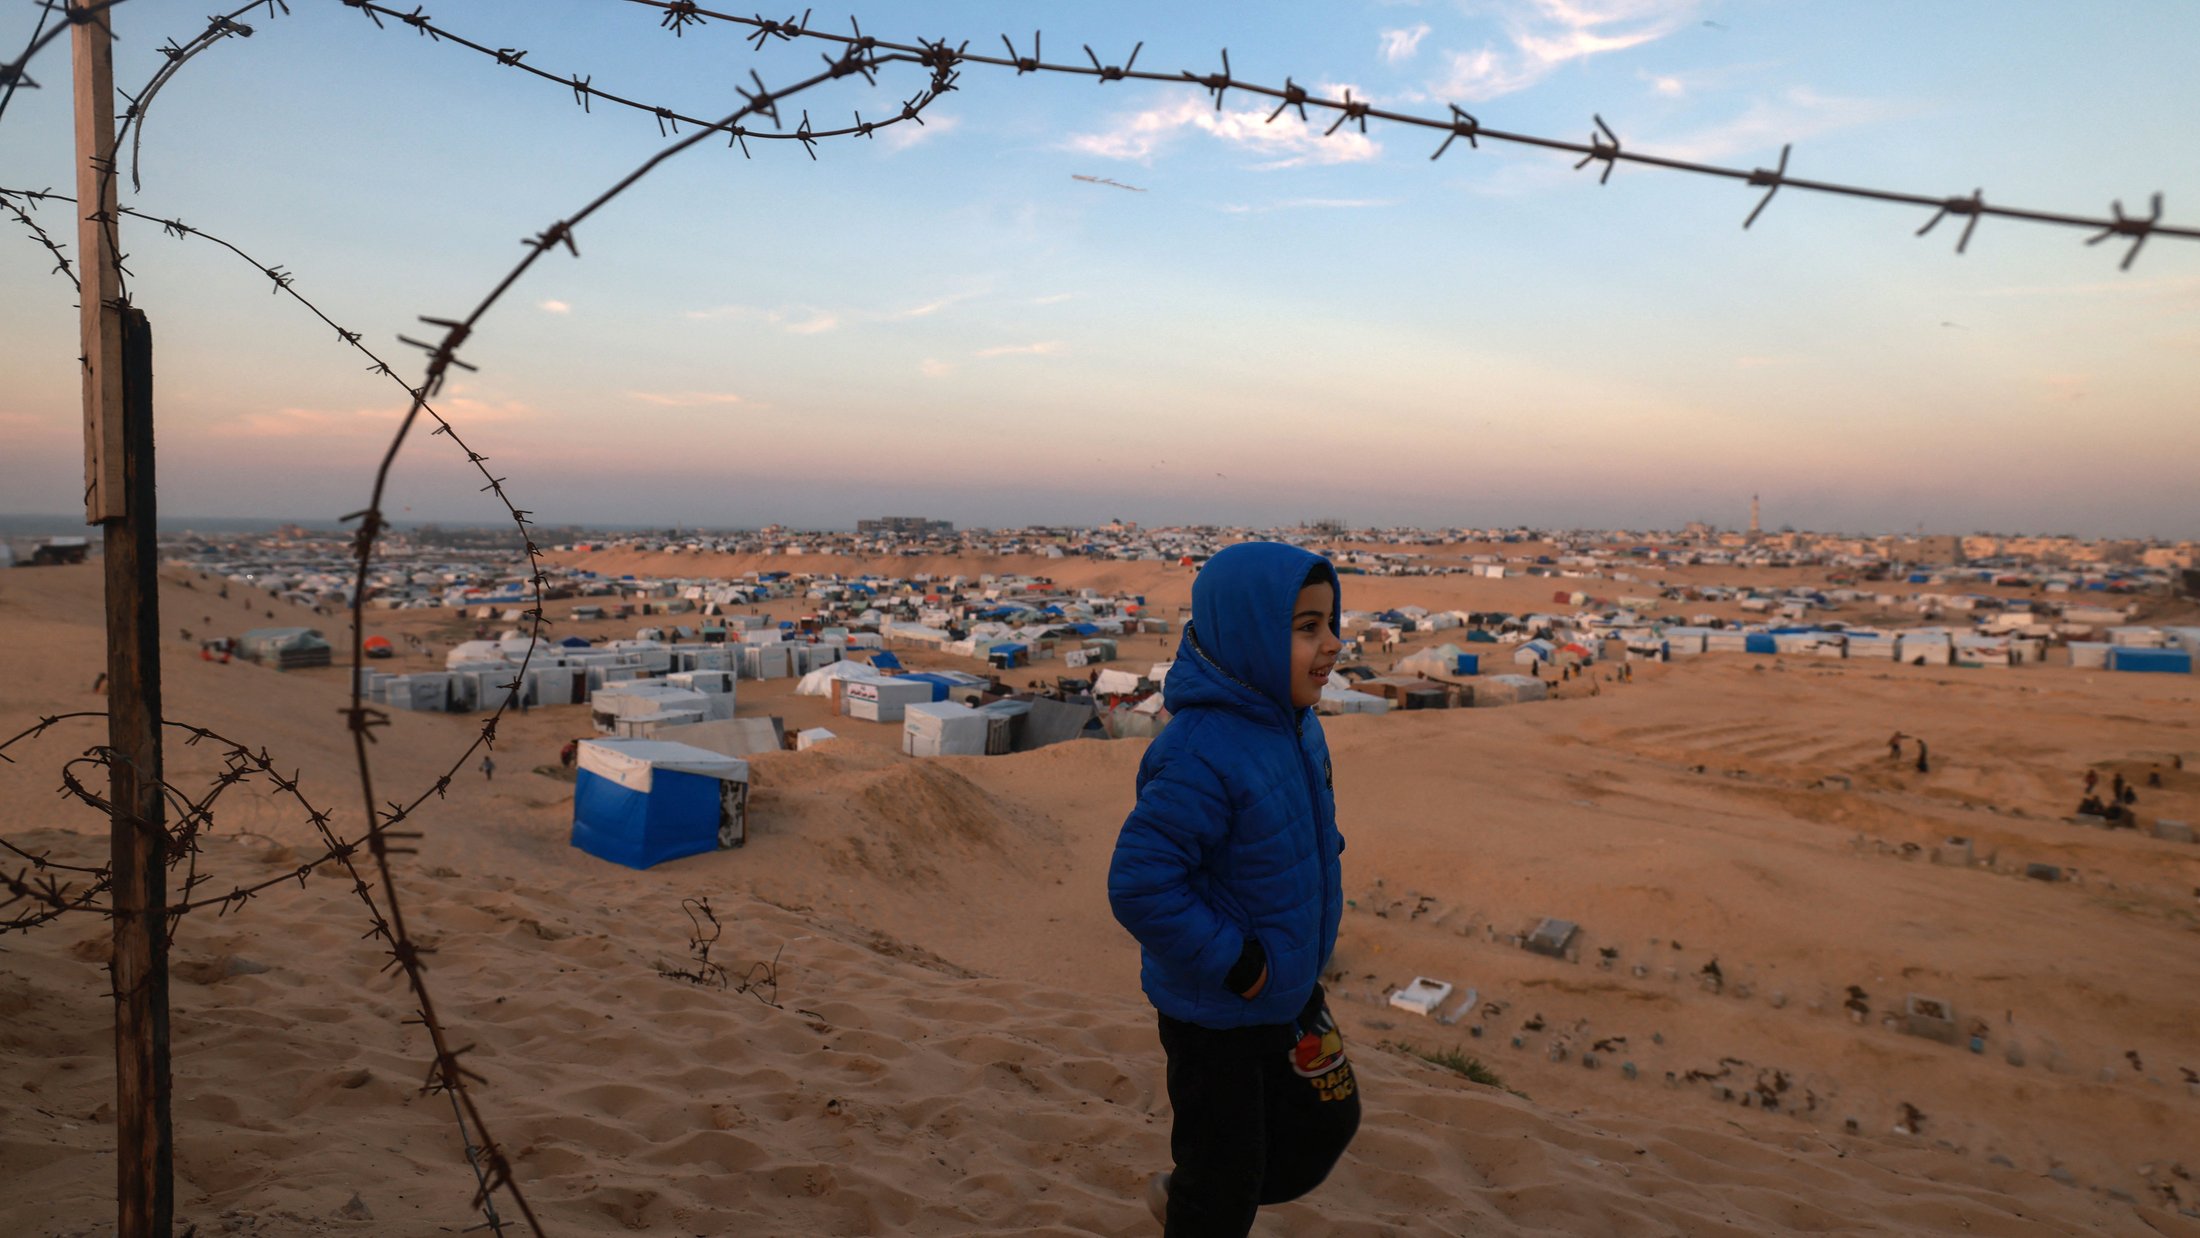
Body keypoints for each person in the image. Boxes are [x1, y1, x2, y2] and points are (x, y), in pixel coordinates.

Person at [1109, 543, 1360, 1237]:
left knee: (1329, 1118)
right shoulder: (1200, 750)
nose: (1333, 644)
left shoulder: (1297, 726)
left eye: (1331, 623)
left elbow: (1298, 830)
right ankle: (1200, 1204)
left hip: (1289, 985)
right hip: (1217, 1011)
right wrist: (1238, 963)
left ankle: (1199, 1195)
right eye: (1307, 627)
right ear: (1249, 631)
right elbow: (1139, 883)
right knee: (1227, 1179)